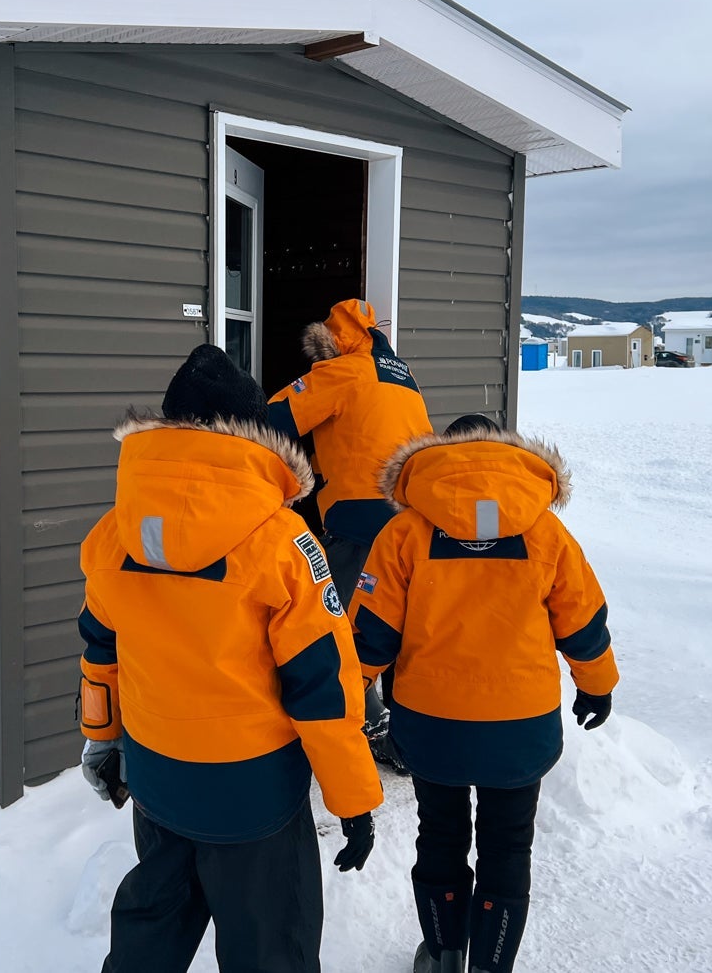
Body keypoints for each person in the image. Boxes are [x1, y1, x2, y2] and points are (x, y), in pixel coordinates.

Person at [76, 344, 383, 973]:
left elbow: (100, 650)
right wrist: (353, 798)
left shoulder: (113, 532)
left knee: (150, 935)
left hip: (157, 777)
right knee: (273, 949)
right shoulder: (286, 544)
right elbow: (324, 687)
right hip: (255, 799)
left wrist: (101, 738)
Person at [350, 413, 619, 973]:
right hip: (521, 729)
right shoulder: (546, 533)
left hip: (432, 725)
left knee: (441, 837)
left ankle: (446, 956)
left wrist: (346, 704)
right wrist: (597, 686)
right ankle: (492, 965)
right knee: (507, 848)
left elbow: (369, 636)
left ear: (439, 462)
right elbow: (583, 622)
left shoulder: (404, 534)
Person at [266, 298, 432, 770]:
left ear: (332, 342)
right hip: (410, 513)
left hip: (362, 515)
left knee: (335, 624)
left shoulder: (345, 371)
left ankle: (366, 725)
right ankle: (405, 724)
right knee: (392, 621)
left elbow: (273, 417)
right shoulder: (403, 377)